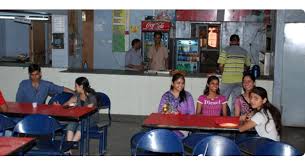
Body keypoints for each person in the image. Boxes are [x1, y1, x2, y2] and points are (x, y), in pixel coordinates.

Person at [217, 34, 251, 115]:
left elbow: (221, 65)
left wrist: (223, 73)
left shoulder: (225, 50)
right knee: (236, 101)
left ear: (230, 41)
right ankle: (234, 120)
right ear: (238, 41)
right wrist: (242, 71)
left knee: (222, 100)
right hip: (239, 80)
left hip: (227, 80)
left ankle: (220, 118)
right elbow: (248, 65)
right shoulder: (244, 51)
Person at [158, 73, 195, 138]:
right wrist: (169, 113)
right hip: (169, 125)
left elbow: (192, 114)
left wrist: (180, 117)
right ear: (172, 83)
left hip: (183, 127)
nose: (181, 85)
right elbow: (161, 112)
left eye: (182, 83)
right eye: (178, 83)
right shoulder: (166, 96)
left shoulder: (187, 96)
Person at [62, 77, 97, 142]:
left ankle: (70, 145)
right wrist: (64, 105)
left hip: (90, 118)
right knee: (71, 124)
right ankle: (68, 149)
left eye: (76, 86)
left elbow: (87, 111)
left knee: (81, 126)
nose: (75, 88)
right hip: (78, 118)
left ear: (81, 86)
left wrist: (75, 107)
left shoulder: (92, 97)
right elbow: (66, 104)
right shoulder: (77, 95)